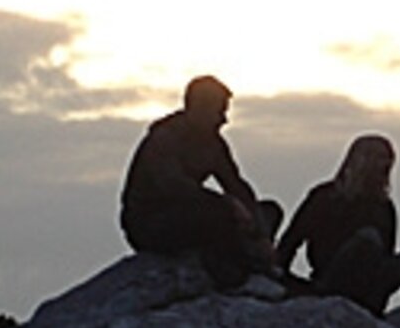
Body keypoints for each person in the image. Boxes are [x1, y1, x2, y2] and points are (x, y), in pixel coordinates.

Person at [276, 134, 400, 328]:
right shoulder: (324, 197)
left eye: (388, 160)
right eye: (378, 158)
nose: (384, 165)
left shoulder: (384, 208)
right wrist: (282, 282)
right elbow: (291, 241)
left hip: (367, 290)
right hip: (330, 283)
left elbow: (387, 255)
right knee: (367, 239)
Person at [120, 75, 282, 288]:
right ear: (199, 108)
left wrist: (258, 228)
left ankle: (257, 258)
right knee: (219, 216)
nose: (224, 120)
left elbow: (235, 184)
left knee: (269, 211)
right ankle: (233, 271)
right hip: (151, 223)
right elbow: (173, 187)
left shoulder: (214, 144)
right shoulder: (164, 139)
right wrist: (227, 205)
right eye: (219, 111)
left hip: (195, 212)